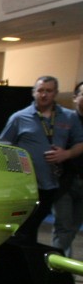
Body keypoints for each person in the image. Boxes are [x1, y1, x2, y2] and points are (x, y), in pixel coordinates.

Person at [0, 75, 83, 242]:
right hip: (24, 186)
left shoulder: (68, 117)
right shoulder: (19, 117)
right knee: (22, 229)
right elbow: (4, 147)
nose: (44, 95)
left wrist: (66, 154)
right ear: (34, 92)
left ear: (56, 93)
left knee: (37, 227)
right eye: (40, 90)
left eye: (49, 91)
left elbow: (80, 143)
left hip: (50, 185)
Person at [50, 81, 83, 256]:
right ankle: (57, 272)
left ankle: (60, 268)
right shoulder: (65, 119)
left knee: (71, 229)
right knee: (63, 227)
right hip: (65, 183)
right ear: (75, 97)